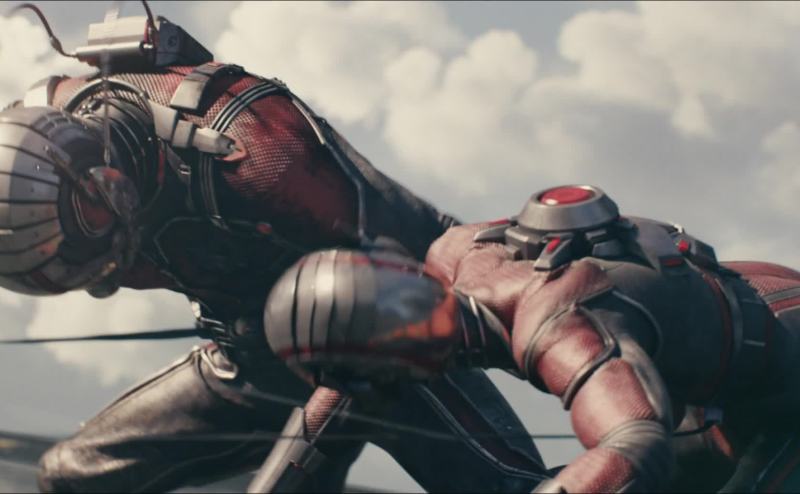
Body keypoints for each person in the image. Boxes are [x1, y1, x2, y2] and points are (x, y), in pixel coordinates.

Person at [0, 6, 547, 492]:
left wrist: (554, 339)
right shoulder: (31, 137)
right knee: (73, 475)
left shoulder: (261, 157)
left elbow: (440, 249)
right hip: (250, 362)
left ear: (106, 188)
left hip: (388, 359)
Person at [264, 184, 800, 492]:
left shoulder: (559, 326)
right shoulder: (453, 253)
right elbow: (342, 400)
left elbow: (634, 444)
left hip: (781, 390)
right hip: (735, 328)